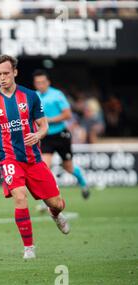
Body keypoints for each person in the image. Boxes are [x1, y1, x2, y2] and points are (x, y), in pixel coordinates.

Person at [0, 55, 69, 260]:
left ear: (15, 72)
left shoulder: (30, 96)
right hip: (8, 158)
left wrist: (37, 135)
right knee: (20, 197)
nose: (2, 78)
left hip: (33, 159)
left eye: (6, 73)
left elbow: (44, 125)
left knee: (56, 203)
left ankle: (55, 214)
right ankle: (29, 247)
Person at [33, 70, 90, 204]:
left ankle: (83, 183)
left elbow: (68, 114)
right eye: (38, 83)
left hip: (61, 135)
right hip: (45, 136)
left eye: (42, 82)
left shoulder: (57, 95)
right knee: (45, 168)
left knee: (68, 167)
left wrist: (49, 120)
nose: (40, 85)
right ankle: (46, 200)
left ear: (48, 82)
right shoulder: (34, 97)